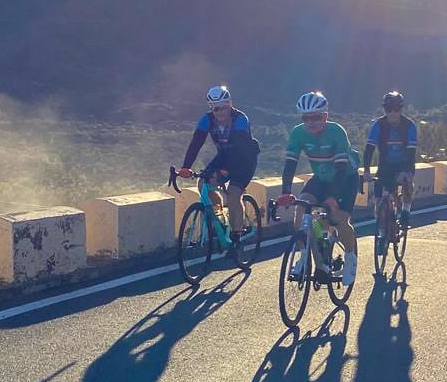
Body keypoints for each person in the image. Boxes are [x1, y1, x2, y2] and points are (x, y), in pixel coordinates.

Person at [277, 91, 362, 286]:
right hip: (322, 178)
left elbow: (341, 169)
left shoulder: (337, 132)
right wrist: (285, 192)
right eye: (306, 118)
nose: (310, 122)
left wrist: (333, 197)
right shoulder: (298, 133)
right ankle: (305, 255)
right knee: (302, 206)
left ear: (325, 116)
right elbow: (290, 164)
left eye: (315, 117)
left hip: (345, 179)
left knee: (338, 220)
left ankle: (350, 258)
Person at [178, 85, 260, 244]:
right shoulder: (206, 119)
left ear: (230, 104)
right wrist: (186, 167)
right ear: (211, 108)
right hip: (224, 156)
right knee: (203, 183)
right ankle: (219, 217)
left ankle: (237, 236)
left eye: (225, 107)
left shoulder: (240, 119)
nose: (221, 112)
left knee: (233, 194)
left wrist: (224, 171)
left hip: (245, 159)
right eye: (217, 109)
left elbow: (241, 151)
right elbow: (196, 143)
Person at [362, 91, 418, 229]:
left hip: (404, 163)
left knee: (407, 183)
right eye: (389, 109)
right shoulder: (378, 125)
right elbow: (369, 149)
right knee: (379, 201)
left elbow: (411, 152)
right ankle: (382, 230)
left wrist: (406, 172)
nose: (392, 113)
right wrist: (367, 171)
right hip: (385, 165)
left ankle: (405, 211)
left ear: (401, 109)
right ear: (384, 109)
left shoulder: (409, 126)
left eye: (396, 109)